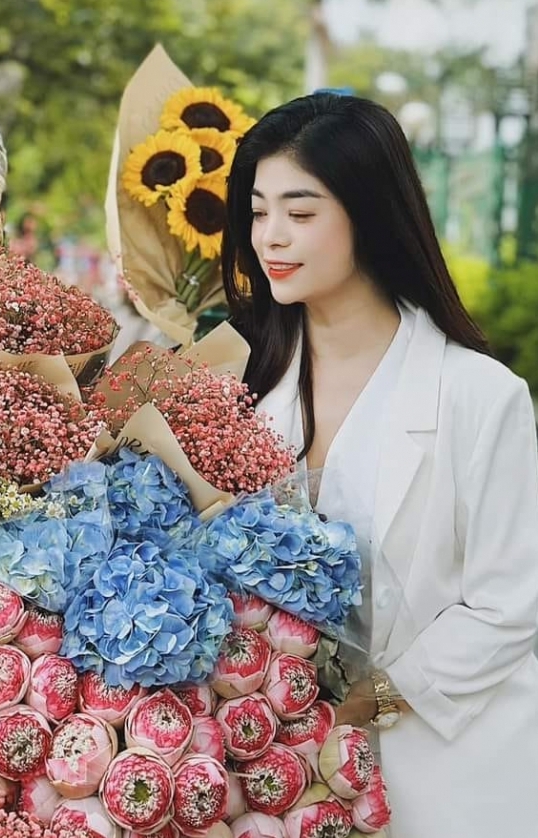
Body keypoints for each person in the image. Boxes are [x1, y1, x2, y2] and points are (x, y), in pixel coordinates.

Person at [221, 92, 538, 837]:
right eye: (259, 211)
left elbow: (509, 607)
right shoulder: (245, 382)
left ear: (370, 213)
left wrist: (366, 705)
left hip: (449, 771)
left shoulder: (478, 397)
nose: (272, 237)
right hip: (279, 779)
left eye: (301, 214)